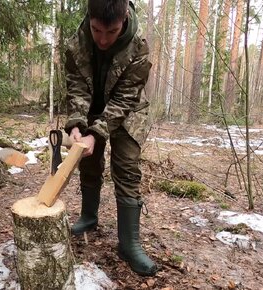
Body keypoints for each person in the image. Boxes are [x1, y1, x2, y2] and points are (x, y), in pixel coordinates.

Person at [64, 0, 157, 276]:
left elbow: (124, 99)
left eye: (111, 32)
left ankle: (129, 243)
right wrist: (78, 125)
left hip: (127, 111)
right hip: (91, 106)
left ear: (125, 17)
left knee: (127, 168)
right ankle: (89, 217)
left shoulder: (138, 47)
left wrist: (98, 131)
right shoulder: (77, 42)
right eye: (96, 30)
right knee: (87, 161)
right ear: (89, 19)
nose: (103, 40)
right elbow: (77, 85)